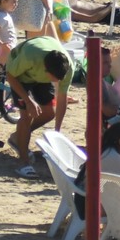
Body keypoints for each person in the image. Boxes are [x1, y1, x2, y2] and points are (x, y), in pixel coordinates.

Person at [5, 35, 74, 177]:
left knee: (49, 113)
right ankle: (23, 162)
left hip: (42, 76)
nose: (57, 82)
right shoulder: (31, 56)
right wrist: (28, 101)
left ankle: (18, 137)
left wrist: (57, 131)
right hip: (20, 75)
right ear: (46, 70)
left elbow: (62, 99)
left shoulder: (67, 68)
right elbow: (10, 76)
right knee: (27, 115)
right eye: (54, 78)